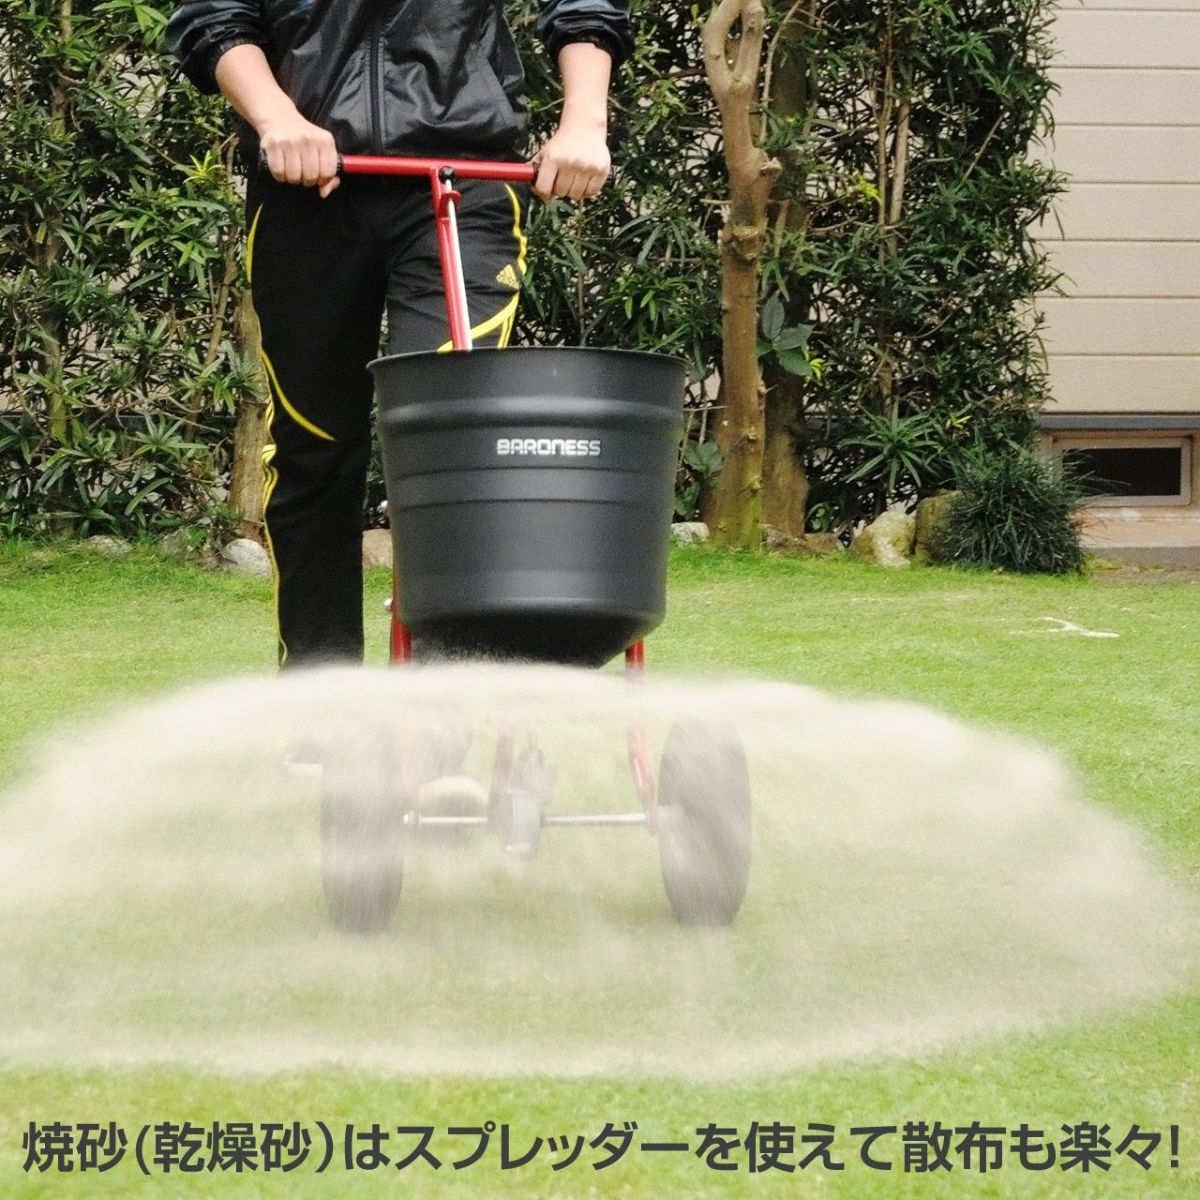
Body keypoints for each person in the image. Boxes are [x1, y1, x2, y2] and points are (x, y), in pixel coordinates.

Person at [165, 0, 633, 666]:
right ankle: (323, 690)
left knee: (452, 440)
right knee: (314, 448)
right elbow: (214, 15)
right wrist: (277, 118)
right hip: (307, 188)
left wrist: (584, 122)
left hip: (463, 184)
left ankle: (442, 698)